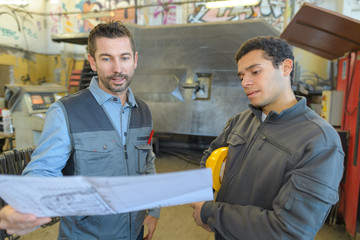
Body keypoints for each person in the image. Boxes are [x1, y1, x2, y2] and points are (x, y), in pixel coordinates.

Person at [0, 21, 159, 240]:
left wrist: (153, 210)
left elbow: (147, 163)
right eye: (106, 58)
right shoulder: (66, 111)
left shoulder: (144, 111)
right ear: (92, 62)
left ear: (135, 60)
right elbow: (43, 170)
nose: (117, 69)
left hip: (135, 232)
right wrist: (28, 201)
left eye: (124, 57)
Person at [191, 36, 344, 239]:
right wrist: (204, 193)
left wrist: (210, 213)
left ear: (286, 67)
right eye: (241, 76)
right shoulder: (241, 121)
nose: (245, 82)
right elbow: (209, 158)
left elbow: (288, 230)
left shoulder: (320, 142)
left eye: (255, 72)